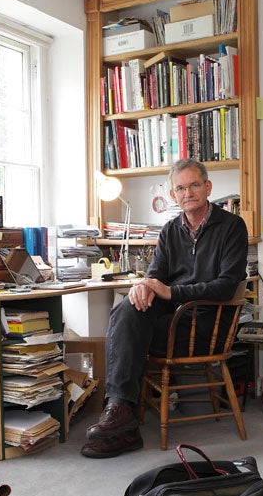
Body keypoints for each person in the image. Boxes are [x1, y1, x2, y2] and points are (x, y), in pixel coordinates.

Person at [81, 159, 249, 458]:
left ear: (207, 187)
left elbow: (225, 285)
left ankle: (121, 415)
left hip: (207, 325)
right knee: (126, 310)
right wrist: (142, 286)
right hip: (173, 319)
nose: (188, 193)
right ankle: (120, 412)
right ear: (173, 195)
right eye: (181, 188)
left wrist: (171, 291)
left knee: (130, 331)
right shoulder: (171, 229)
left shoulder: (232, 226)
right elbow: (155, 275)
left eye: (194, 185)